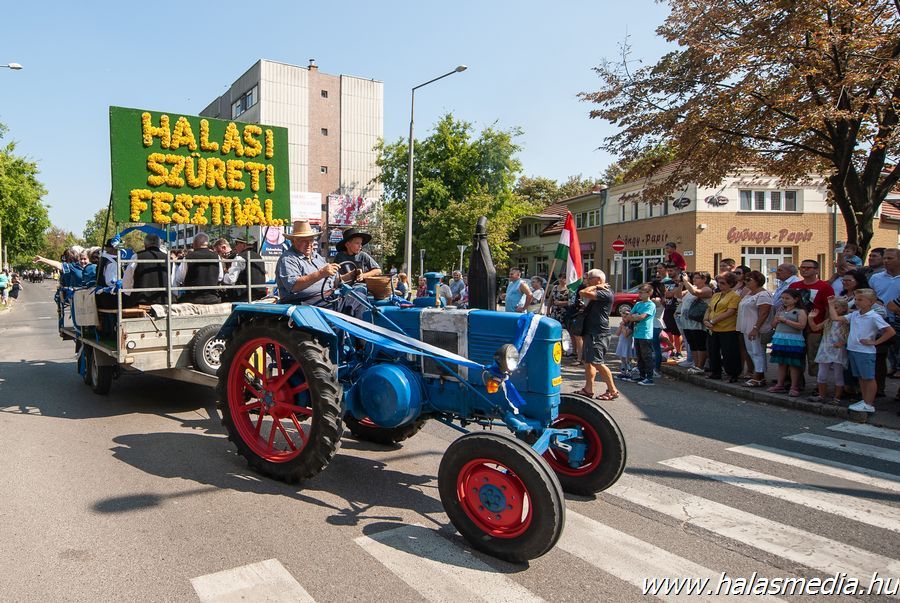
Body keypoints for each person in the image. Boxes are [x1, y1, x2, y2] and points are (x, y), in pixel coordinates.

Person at [829, 289, 896, 414]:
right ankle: (865, 400)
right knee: (861, 377)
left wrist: (875, 342)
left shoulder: (874, 316)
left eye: (860, 300)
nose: (857, 302)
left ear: (871, 302)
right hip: (853, 349)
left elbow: (890, 331)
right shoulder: (855, 314)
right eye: (856, 299)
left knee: (868, 378)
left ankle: (869, 403)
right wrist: (831, 304)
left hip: (865, 351)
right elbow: (835, 318)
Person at [275, 220, 361, 316]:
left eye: (311, 240)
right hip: (304, 303)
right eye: (304, 240)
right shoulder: (288, 259)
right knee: (349, 306)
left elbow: (335, 280)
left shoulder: (316, 256)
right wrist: (321, 273)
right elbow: (294, 286)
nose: (309, 244)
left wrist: (351, 275)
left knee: (359, 297)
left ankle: (353, 329)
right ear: (293, 241)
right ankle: (340, 330)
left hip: (327, 298)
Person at [575, 269, 619, 398]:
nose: (587, 281)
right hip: (590, 331)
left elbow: (582, 292)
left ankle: (612, 390)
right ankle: (588, 389)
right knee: (588, 362)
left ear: (598, 280)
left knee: (597, 362)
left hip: (598, 333)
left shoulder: (605, 292)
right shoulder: (598, 291)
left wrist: (595, 286)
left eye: (589, 278)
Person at [789, 259, 835, 382]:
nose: (804, 270)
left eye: (808, 268)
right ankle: (797, 383)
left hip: (815, 327)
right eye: (802, 267)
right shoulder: (794, 286)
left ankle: (818, 385)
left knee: (814, 356)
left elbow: (828, 309)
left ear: (816, 270)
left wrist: (823, 326)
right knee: (796, 356)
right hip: (796, 326)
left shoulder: (825, 287)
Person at [807, 298, 849, 404]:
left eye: (836, 308)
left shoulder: (845, 321)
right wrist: (811, 318)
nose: (833, 310)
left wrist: (843, 343)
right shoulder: (828, 321)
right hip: (825, 349)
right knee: (821, 374)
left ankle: (837, 398)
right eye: (832, 308)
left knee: (838, 375)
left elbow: (851, 335)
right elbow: (815, 328)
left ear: (844, 309)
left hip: (838, 350)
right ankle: (821, 395)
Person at [768, 289, 808, 396]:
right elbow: (773, 325)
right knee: (781, 363)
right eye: (783, 298)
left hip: (794, 340)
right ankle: (780, 384)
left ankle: (794, 386)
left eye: (787, 298)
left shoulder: (800, 311)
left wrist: (786, 321)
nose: (784, 300)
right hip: (780, 338)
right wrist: (776, 320)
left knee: (793, 364)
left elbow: (802, 325)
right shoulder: (781, 310)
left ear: (796, 299)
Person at [703, 272, 742, 382]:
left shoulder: (734, 296)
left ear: (730, 284)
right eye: (719, 283)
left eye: (723, 283)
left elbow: (730, 312)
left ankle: (732, 374)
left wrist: (713, 321)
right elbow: (709, 308)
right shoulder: (716, 295)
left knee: (729, 352)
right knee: (713, 351)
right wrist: (705, 320)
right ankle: (715, 372)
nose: (720, 285)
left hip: (727, 328)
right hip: (713, 329)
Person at [738, 271, 773, 387]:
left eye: (749, 280)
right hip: (746, 327)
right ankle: (759, 375)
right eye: (745, 280)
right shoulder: (749, 293)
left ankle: (758, 376)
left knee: (758, 352)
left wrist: (755, 328)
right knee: (751, 352)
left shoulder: (763, 295)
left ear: (758, 281)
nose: (746, 282)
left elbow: (764, 313)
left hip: (756, 328)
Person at [678, 271, 714, 375]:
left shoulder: (707, 289)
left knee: (700, 344)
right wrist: (681, 284)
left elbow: (696, 292)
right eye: (694, 277)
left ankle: (700, 366)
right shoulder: (691, 287)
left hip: (697, 322)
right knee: (692, 344)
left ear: (705, 279)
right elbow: (678, 295)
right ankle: (695, 364)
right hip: (686, 321)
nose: (694, 279)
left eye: (698, 278)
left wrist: (686, 281)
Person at [122, 233, 169, 306]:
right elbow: (173, 279)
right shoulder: (167, 257)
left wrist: (128, 292)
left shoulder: (137, 256)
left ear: (145, 244)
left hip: (142, 299)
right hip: (165, 299)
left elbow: (128, 278)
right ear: (159, 244)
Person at [176, 232, 223, 304]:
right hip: (212, 297)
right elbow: (220, 277)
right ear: (207, 244)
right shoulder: (216, 256)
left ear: (194, 244)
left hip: (193, 298)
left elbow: (179, 278)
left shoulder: (188, 257)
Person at [623, 283, 656, 386]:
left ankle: (649, 377)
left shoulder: (650, 305)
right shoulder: (638, 304)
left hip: (645, 334)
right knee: (639, 357)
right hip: (637, 334)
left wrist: (634, 317)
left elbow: (642, 317)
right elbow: (628, 317)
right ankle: (641, 376)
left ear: (649, 293)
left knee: (647, 356)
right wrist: (633, 317)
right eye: (639, 292)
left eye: (642, 293)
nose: (639, 295)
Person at [222, 236, 267, 301]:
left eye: (236, 244)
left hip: (245, 295)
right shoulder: (258, 256)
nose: (235, 247)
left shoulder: (240, 258)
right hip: (260, 293)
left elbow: (231, 280)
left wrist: (223, 275)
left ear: (243, 245)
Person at [614, 313, 636, 379]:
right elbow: (617, 334)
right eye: (622, 317)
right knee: (622, 358)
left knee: (628, 359)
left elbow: (626, 335)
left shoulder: (631, 325)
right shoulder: (622, 325)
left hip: (628, 344)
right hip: (621, 343)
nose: (623, 319)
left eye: (625, 317)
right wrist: (621, 326)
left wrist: (623, 326)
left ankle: (629, 373)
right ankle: (623, 372)